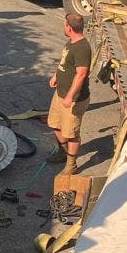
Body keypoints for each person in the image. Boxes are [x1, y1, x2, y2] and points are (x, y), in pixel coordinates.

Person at [48, 12, 92, 176]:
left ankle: (71, 164)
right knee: (55, 124)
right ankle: (62, 152)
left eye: (65, 24)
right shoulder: (71, 42)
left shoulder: (82, 48)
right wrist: (56, 75)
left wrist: (70, 96)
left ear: (69, 27)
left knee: (71, 134)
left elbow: (81, 74)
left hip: (73, 100)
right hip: (60, 93)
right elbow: (65, 62)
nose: (63, 26)